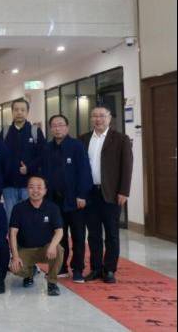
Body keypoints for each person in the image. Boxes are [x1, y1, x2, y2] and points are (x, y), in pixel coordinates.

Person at [80, 105, 133, 284]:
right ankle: (96, 268)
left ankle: (109, 269)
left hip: (111, 193)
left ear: (109, 118)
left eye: (102, 116)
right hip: (90, 194)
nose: (98, 119)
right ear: (91, 119)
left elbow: (127, 166)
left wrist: (124, 191)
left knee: (112, 234)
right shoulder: (84, 139)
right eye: (94, 116)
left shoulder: (120, 139)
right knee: (93, 234)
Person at [42, 114, 93, 282]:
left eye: (61, 125)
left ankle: (77, 269)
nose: (57, 128)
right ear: (51, 129)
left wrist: (82, 195)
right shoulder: (47, 148)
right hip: (54, 201)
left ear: (67, 127)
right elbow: (43, 173)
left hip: (75, 200)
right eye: (54, 126)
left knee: (78, 236)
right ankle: (61, 267)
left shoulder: (76, 146)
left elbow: (84, 172)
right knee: (59, 235)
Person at [9, 176, 65, 296]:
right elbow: (12, 233)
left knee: (58, 249)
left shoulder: (53, 208)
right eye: (31, 187)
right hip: (25, 249)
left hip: (45, 249)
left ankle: (52, 282)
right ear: (27, 189)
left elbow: (59, 231)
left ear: (45, 191)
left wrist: (52, 245)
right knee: (15, 268)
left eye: (39, 187)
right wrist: (15, 256)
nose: (35, 190)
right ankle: (30, 272)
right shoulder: (18, 209)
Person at [0, 98, 46, 219]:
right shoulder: (5, 132)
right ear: (12, 112)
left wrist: (29, 168)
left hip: (29, 185)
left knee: (29, 218)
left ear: (27, 112)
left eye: (22, 110)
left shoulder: (35, 131)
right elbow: (0, 156)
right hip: (9, 185)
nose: (19, 112)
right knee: (11, 218)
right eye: (16, 110)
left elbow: (42, 155)